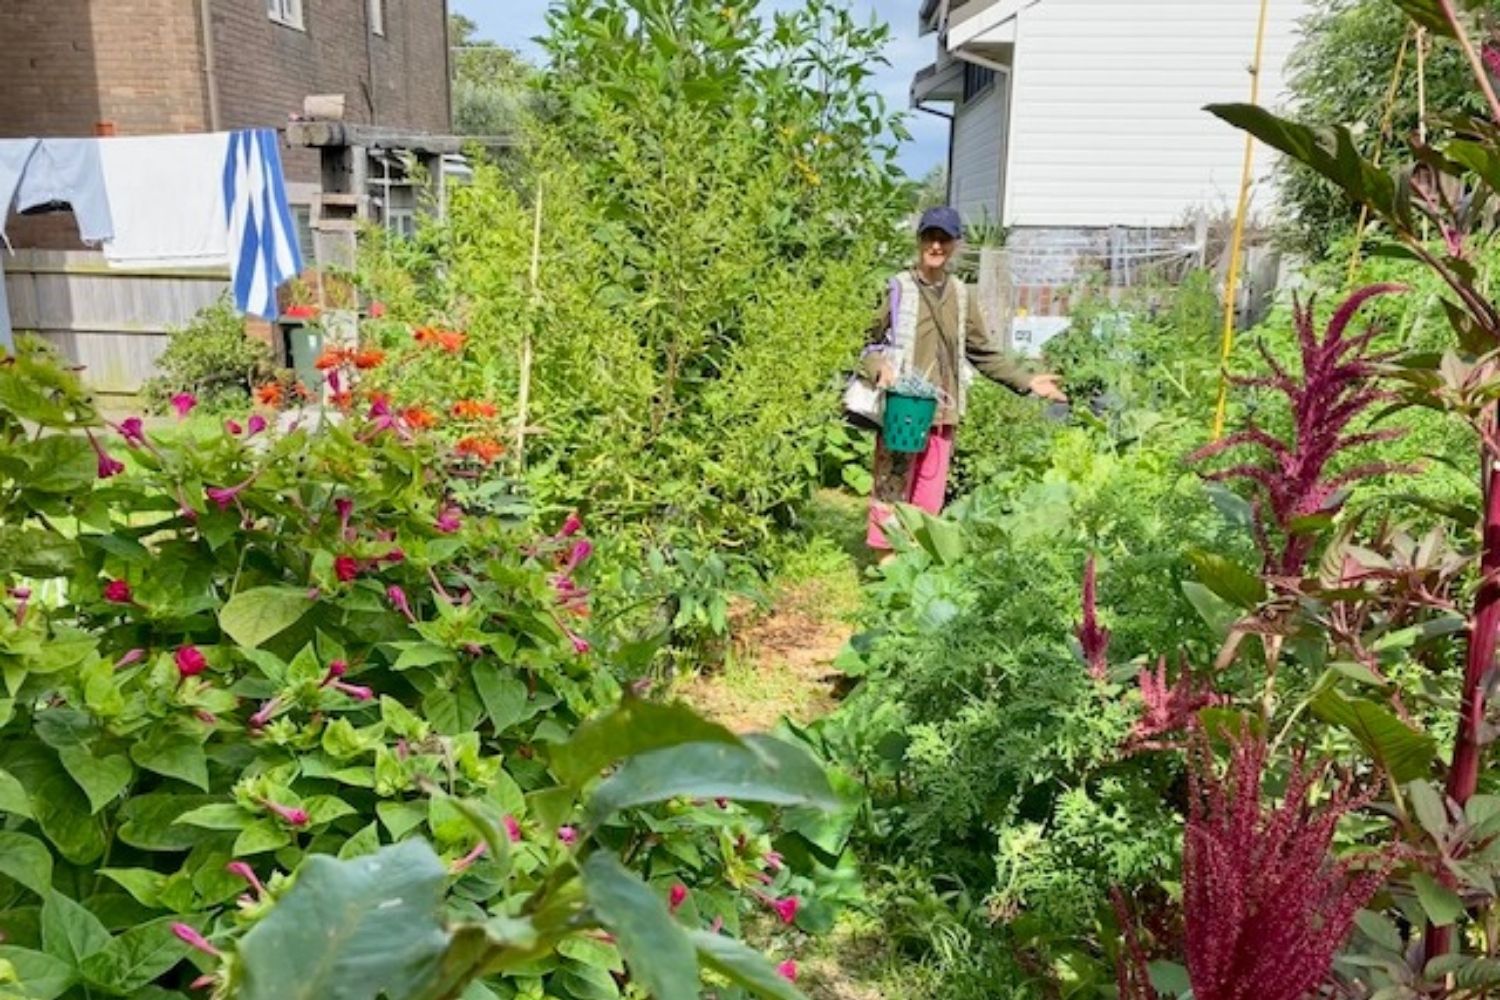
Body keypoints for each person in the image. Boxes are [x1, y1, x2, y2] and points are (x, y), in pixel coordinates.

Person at [859, 205, 1065, 554]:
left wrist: (1026, 381)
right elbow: (864, 341)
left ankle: (913, 571)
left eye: (944, 238)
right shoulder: (897, 288)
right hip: (903, 410)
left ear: (955, 244)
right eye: (929, 237)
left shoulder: (961, 294)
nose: (936, 246)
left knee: (927, 500)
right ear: (919, 240)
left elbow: (982, 351)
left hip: (942, 415)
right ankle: (886, 572)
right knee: (891, 490)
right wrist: (879, 367)